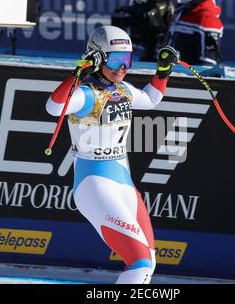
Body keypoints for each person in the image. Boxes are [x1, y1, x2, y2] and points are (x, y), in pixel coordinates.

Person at [45, 26, 180, 284]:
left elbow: (151, 100)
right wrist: (78, 72)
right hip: (95, 186)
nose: (122, 68)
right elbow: (53, 106)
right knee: (139, 264)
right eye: (116, 60)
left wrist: (162, 71)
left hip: (124, 185)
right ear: (97, 58)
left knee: (147, 262)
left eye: (127, 61)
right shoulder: (85, 94)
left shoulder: (125, 89)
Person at [165, 0, 223, 65]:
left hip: (184, 74)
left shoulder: (207, 19)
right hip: (168, 71)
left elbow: (207, 66)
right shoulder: (181, 13)